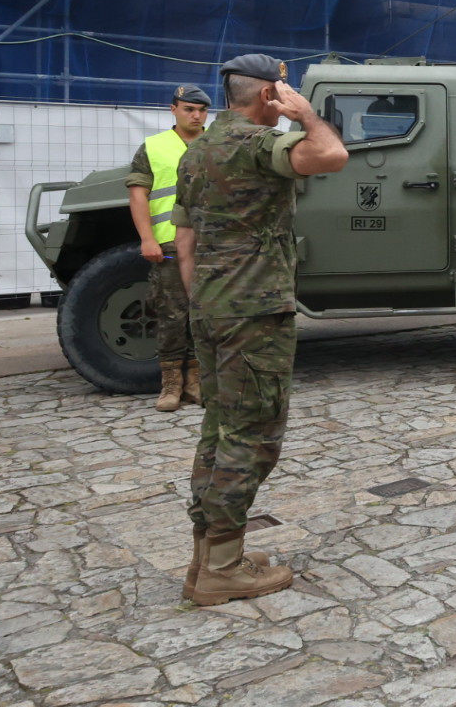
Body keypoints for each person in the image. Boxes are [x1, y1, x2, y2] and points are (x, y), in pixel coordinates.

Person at [174, 54, 348, 605]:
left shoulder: (197, 149)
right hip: (254, 313)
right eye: (282, 91)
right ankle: (223, 569)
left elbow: (185, 240)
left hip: (211, 308)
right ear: (268, 96)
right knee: (253, 436)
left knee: (219, 429)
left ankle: (208, 556)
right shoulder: (253, 144)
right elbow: (331, 154)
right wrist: (306, 114)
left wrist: (203, 299)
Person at [125, 84, 212, 412]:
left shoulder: (216, 144)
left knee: (206, 316)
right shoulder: (153, 147)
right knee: (172, 315)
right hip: (168, 244)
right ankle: (171, 384)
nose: (196, 115)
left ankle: (197, 381)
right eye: (189, 109)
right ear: (173, 109)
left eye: (202, 110)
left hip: (211, 245)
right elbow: (138, 195)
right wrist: (147, 238)